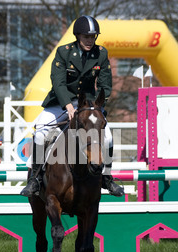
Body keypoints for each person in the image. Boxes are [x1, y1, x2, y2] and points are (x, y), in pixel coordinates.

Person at [20, 15, 124, 197]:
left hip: (89, 104)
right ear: (77, 36)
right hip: (61, 102)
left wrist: (97, 106)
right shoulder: (64, 52)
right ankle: (35, 179)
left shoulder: (101, 54)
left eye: (93, 37)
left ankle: (107, 178)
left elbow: (105, 85)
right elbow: (58, 83)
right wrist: (68, 106)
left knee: (107, 137)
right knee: (40, 133)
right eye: (86, 37)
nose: (90, 41)